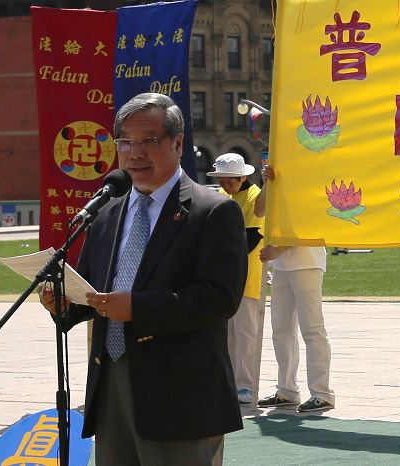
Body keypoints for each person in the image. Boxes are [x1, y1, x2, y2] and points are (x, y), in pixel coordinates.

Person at [40, 93, 248, 466]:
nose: (134, 153)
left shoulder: (213, 211)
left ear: (178, 143)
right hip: (111, 384)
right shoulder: (106, 211)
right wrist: (64, 305)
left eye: (148, 141)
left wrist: (137, 307)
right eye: (125, 141)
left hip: (180, 392)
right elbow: (91, 289)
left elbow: (219, 299)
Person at [256, 165, 335, 412]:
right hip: (281, 267)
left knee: (311, 329)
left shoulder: (310, 185)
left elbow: (306, 227)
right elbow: (259, 210)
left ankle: (322, 393)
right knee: (281, 331)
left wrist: (277, 250)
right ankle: (287, 390)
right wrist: (267, 183)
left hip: (307, 263)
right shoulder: (278, 185)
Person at [206, 153, 265, 404]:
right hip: (223, 278)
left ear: (244, 176)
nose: (226, 184)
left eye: (230, 180)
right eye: (222, 179)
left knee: (246, 334)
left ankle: (246, 386)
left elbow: (252, 238)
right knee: (226, 333)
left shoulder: (254, 198)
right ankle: (228, 381)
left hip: (247, 277)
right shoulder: (222, 196)